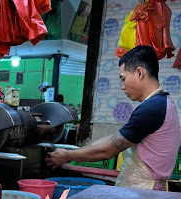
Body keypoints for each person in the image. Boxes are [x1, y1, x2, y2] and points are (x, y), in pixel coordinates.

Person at [47, 45, 181, 190]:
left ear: (139, 73)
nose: (122, 86)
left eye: (123, 79)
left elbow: (109, 150)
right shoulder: (163, 103)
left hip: (143, 192)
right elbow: (114, 139)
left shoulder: (152, 108)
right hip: (146, 189)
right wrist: (75, 151)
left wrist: (68, 156)